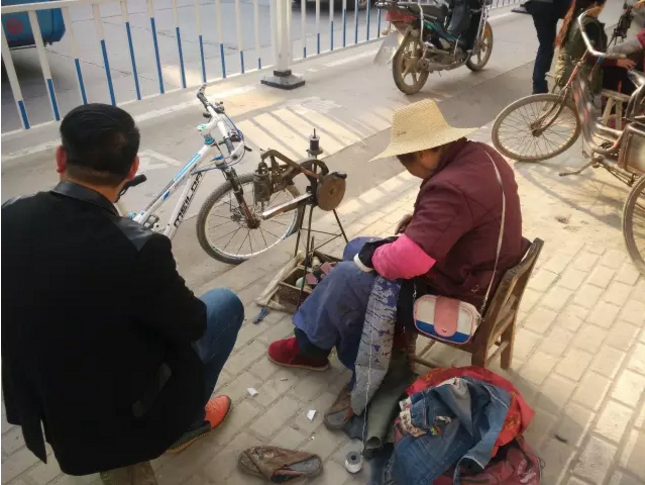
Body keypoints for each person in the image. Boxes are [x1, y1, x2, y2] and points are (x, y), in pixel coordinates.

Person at [1, 104, 244, 476]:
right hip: (120, 408)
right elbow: (192, 323)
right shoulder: (141, 247)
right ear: (132, 169)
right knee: (224, 303)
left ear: (61, 158)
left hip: (41, 390)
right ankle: (187, 424)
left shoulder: (9, 215)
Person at [266, 100, 527, 377]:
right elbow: (467, 214)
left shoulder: (451, 189)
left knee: (345, 276)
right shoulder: (481, 155)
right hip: (480, 272)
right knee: (354, 247)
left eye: (405, 162)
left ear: (423, 153)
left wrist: (371, 257)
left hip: (461, 296)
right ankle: (347, 322)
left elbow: (407, 261)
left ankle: (309, 349)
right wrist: (421, 221)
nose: (407, 169)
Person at [553, 0, 637, 93]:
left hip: (564, 68)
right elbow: (594, 56)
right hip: (576, 73)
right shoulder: (590, 24)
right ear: (595, 4)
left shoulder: (577, 16)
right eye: (603, 5)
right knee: (623, 72)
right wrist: (617, 62)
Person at [526, 0, 571, 94]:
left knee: (545, 46)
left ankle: (539, 87)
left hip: (540, 5)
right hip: (559, 5)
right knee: (572, 42)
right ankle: (569, 83)